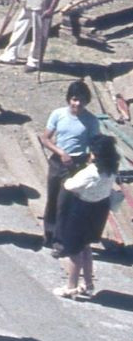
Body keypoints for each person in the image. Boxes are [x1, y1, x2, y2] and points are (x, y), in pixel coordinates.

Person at [53, 135, 121, 299]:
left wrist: (70, 177)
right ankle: (88, 284)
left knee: (74, 249)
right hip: (98, 210)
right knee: (86, 246)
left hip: (81, 209)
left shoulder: (91, 172)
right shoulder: (111, 169)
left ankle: (71, 286)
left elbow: (70, 185)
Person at [39, 80, 101, 248]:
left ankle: (60, 240)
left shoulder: (91, 120)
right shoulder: (58, 114)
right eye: (74, 99)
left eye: (81, 100)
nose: (77, 104)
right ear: (68, 99)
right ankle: (49, 234)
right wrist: (61, 152)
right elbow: (45, 138)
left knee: (65, 202)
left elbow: (95, 143)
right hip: (58, 162)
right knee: (52, 199)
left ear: (87, 101)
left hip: (77, 164)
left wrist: (92, 158)